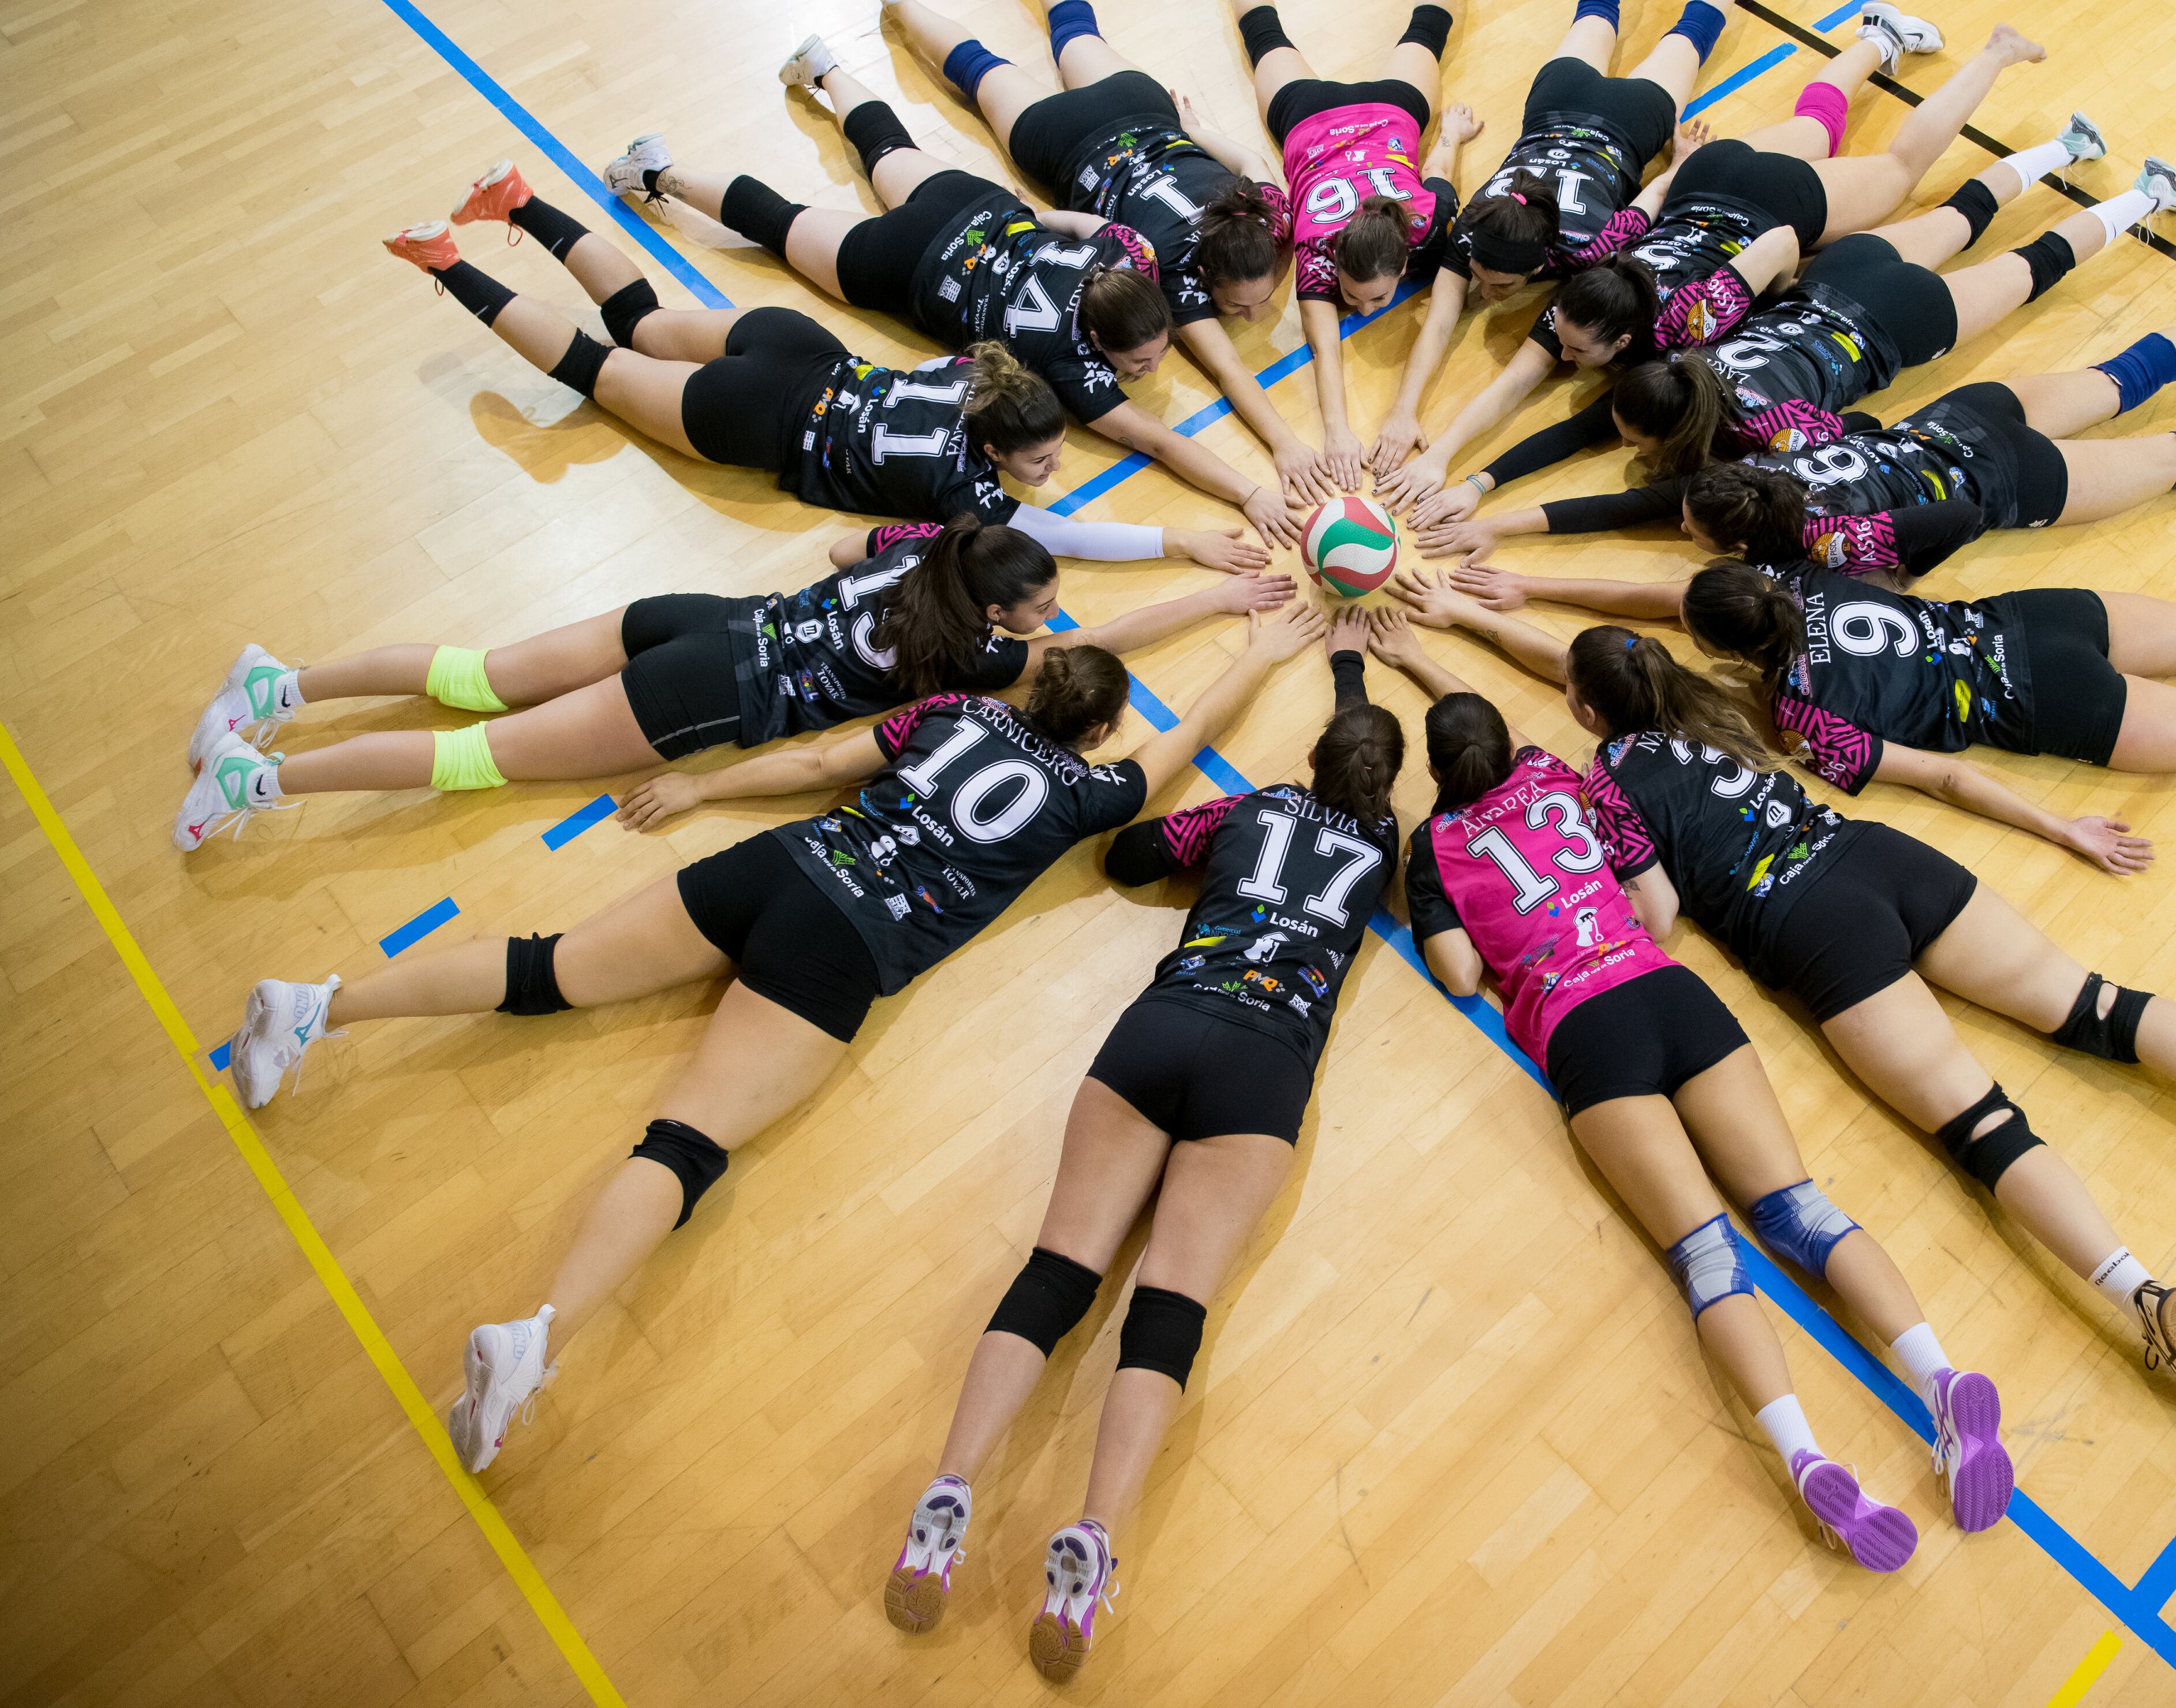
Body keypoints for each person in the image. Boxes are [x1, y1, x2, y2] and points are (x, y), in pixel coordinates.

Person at [212, 605, 1328, 1476]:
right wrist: (1262, 651)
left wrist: (701, 789)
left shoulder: (944, 714)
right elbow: (1188, 739)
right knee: (687, 1140)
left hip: (782, 865)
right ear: (1094, 734)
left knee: (544, 967)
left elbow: (810, 765)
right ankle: (535, 1339)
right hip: (845, 948)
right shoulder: (1092, 791)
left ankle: (320, 1005)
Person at [1376, 588, 2176, 1415]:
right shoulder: (1749, 710)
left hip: (1810, 928)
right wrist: (2058, 828)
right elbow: (1927, 774)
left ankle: (2142, 1294)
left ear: (1584, 714)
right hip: (1880, 858)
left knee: (1982, 1122)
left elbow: (1654, 909)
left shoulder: (1604, 779)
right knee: (2097, 1004)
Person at [1371, 623, 2014, 1566]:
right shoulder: (1556, 771)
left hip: (1584, 1028)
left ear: (1435, 770)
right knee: (1801, 1208)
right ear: (1509, 748)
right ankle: (1939, 1376)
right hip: (1667, 988)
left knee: (1707, 1256)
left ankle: (1805, 1456)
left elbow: (1462, 973)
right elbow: (1641, 889)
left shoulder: (1435, 844)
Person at [883, 613, 1405, 1677]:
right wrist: (1358, 674)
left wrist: (1226, 832)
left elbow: (1128, 856)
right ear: (1387, 789)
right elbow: (1363, 765)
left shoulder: (1255, 806)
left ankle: (951, 1484)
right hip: (1265, 1065)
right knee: (1169, 1307)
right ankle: (1093, 1535)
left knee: (1058, 1268)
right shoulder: (1389, 847)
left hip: (1165, 1023)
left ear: (1307, 764)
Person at [176, 514, 1290, 848]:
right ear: (1001, 615)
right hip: (707, 697)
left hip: (696, 618)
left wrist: (1187, 556)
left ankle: (282, 685)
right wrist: (1217, 595)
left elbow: (840, 548)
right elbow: (1110, 643)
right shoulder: (986, 656)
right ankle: (255, 786)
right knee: (471, 756)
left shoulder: (929, 551)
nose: (1053, 619)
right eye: (1040, 607)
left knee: (476, 674)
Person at [385, 171, 1264, 568]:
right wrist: (1181, 544)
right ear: (993, 456)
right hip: (752, 418)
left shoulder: (982, 371)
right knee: (591, 362)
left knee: (640, 321)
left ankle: (522, 202)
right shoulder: (970, 498)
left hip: (799, 345)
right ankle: (441, 261)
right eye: (1039, 463)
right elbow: (1066, 538)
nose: (1052, 473)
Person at [1383, 23, 2079, 514]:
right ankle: (1876, 38)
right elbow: (1511, 388)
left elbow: (1778, 242)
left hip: (1762, 208)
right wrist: (1442, 457)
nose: (1558, 356)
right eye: (1563, 342)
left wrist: (1782, 295)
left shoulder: (1691, 325)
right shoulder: (1589, 298)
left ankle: (1995, 53)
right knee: (1815, 133)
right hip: (1703, 179)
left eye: (1570, 350)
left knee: (1898, 172)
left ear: (1625, 345)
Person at [601, 77, 1304, 545]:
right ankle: (656, 174)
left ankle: (828, 70)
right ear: (1097, 340)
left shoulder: (1124, 260)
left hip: (977, 206)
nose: (1151, 367)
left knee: (887, 150)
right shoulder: (1067, 365)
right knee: (780, 224)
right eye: (1141, 360)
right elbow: (1156, 440)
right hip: (905, 265)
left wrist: (1030, 215)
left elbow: (1088, 228)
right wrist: (1247, 495)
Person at [1414, 557, 2176, 838]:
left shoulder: (1802, 717)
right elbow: (1651, 594)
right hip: (2036, 617)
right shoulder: (1802, 579)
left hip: (2042, 706)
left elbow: (1947, 778)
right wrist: (1513, 585)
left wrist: (1476, 615)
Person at [1406, 137, 2176, 524]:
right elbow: (1581, 439)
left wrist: (1487, 504)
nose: (1615, 440)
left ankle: (2138, 199)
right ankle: (2070, 148)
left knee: (2028, 270)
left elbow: (1849, 423)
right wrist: (1477, 484)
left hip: (1894, 329)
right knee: (1959, 219)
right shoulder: (1684, 361)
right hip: (1835, 281)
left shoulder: (1750, 437)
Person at [863, 0, 1353, 509]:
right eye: (1236, 303)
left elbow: (1251, 160)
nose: (1252, 318)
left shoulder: (1266, 216)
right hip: (1068, 140)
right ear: (1203, 278)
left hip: (1141, 112)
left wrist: (1192, 131)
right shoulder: (1180, 266)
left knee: (1038, 45)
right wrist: (1283, 445)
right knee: (994, 64)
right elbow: (1228, 370)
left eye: (1260, 300)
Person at [1412, 290, 2176, 569]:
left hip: (2005, 483)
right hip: (1957, 419)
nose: (1677, 528)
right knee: (2118, 379)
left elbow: (1940, 529)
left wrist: (1898, 548)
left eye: (1689, 533)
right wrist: (1491, 521)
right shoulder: (1767, 464)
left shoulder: (1807, 541)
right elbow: (1624, 502)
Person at [1368, 0, 1808, 473]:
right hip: (1569, 104)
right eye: (1483, 279)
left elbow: (1646, 211)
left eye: (1500, 286)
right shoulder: (1480, 229)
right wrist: (1403, 409)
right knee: (1623, 12)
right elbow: (1440, 318)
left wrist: (1678, 167)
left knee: (1670, 26)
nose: (1483, 292)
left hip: (1622, 120)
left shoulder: (1585, 255)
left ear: (1543, 260)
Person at [1214, 0, 1481, 482]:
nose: (1359, 310)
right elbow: (1323, 345)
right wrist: (1335, 429)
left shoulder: (1428, 222)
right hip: (1362, 112)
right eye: (1356, 297)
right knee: (1415, 33)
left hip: (1332, 114)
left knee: (1276, 37)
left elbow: (1438, 166)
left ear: (1405, 255)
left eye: (1373, 300)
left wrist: (1453, 137)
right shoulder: (1320, 245)